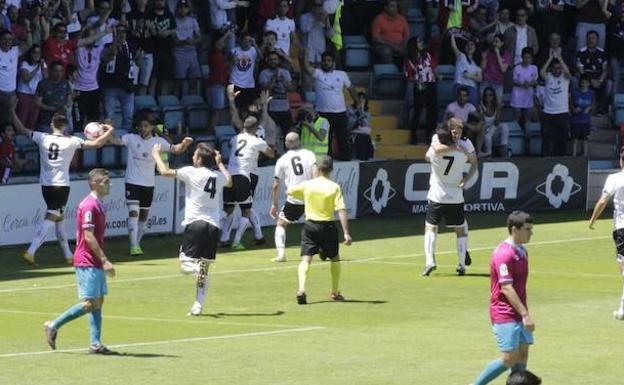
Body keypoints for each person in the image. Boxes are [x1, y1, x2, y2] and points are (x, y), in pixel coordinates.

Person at [17, 114, 113, 266]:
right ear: (66, 126)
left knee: (59, 218)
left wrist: (11, 112)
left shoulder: (42, 137)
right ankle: (31, 251)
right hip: (61, 185)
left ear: (51, 124)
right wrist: (110, 131)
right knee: (52, 216)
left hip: (46, 185)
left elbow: (22, 129)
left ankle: (69, 255)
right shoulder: (71, 141)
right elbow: (96, 144)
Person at [152, 142, 233, 316]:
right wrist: (219, 163)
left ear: (198, 159)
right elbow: (230, 181)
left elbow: (165, 171)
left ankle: (197, 273)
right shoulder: (217, 176)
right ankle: (198, 304)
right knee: (204, 268)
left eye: (194, 155)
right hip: (213, 226)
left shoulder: (191, 172)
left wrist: (156, 155)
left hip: (196, 224)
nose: (192, 157)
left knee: (184, 266)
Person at [43, 168, 118, 355]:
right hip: (87, 260)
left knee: (98, 301)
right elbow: (88, 235)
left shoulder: (99, 204)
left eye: (109, 181)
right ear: (94, 184)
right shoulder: (89, 206)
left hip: (94, 261)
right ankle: (54, 325)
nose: (109, 184)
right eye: (105, 181)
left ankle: (95, 343)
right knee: (89, 303)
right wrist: (104, 259)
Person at [108, 113, 193, 256]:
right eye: (141, 126)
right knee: (133, 214)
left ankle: (136, 244)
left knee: (143, 218)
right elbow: (114, 141)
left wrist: (185, 143)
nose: (143, 128)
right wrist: (107, 130)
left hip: (148, 184)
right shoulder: (131, 138)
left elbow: (176, 149)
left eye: (146, 126)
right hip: (132, 182)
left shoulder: (158, 142)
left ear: (152, 127)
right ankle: (134, 246)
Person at [470, 210, 535, 385]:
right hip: (504, 313)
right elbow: (506, 288)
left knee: (522, 357)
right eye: (527, 229)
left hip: (519, 311)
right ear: (515, 229)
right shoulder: (503, 254)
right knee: (509, 359)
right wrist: (525, 314)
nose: (531, 233)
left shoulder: (522, 251)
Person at [288, 155, 352, 304]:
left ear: (317, 168)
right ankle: (335, 292)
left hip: (310, 226)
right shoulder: (334, 187)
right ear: (331, 170)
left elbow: (290, 191)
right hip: (328, 226)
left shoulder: (307, 185)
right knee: (335, 258)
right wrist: (346, 232)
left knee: (306, 259)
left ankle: (302, 289)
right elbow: (341, 209)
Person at [422, 119, 478, 277]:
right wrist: (456, 149)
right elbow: (474, 162)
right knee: (460, 229)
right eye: (455, 132)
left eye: (460, 132)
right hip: (454, 196)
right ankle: (460, 264)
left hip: (439, 194)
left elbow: (429, 155)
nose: (458, 135)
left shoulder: (438, 140)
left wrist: (465, 179)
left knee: (431, 227)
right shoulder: (464, 146)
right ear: (449, 130)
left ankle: (430, 261)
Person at [219, 116, 275, 249]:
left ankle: (220, 233)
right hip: (242, 176)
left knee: (228, 209)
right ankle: (236, 242)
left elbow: (229, 144)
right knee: (247, 210)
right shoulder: (257, 141)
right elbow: (271, 154)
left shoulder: (235, 138)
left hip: (228, 176)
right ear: (255, 129)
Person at [300, 50, 359, 161]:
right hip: (322, 113)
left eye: (329, 61)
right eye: (324, 61)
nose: (326, 63)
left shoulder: (341, 74)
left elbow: (351, 88)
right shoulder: (318, 73)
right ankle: (327, 159)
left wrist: (357, 103)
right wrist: (305, 55)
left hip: (340, 112)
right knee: (327, 137)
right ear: (321, 62)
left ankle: (345, 158)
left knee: (342, 136)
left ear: (333, 63)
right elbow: (307, 68)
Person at [270, 132, 317, 262]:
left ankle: (281, 254)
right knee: (317, 224)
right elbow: (315, 174)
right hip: (310, 196)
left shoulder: (282, 160)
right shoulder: (310, 154)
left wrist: (274, 204)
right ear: (299, 141)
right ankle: (325, 249)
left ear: (286, 143)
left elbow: (275, 184)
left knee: (281, 223)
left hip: (295, 199)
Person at [589, 147, 624, 320]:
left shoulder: (615, 178)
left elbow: (603, 200)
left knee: (623, 267)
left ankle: (623, 308)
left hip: (621, 227)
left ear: (621, 161)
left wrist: (593, 219)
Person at [540, 52, 571, 156]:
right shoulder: (548, 76)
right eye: (554, 68)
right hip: (548, 112)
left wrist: (560, 59)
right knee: (546, 138)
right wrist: (550, 59)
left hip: (562, 112)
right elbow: (541, 72)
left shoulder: (564, 78)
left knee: (562, 138)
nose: (557, 70)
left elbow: (568, 73)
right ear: (551, 69)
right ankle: (545, 159)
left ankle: (561, 157)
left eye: (559, 68)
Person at [370, 0, 409, 64]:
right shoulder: (379, 19)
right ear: (386, 7)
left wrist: (404, 45)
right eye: (392, 6)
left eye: (396, 7)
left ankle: (409, 71)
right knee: (386, 51)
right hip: (383, 45)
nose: (395, 9)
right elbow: (376, 37)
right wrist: (392, 46)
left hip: (400, 44)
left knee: (412, 49)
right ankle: (389, 72)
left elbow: (407, 35)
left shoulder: (402, 19)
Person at [450, 33, 482, 107]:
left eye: (472, 45)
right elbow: (453, 46)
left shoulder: (476, 64)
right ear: (465, 47)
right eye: (468, 45)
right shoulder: (461, 55)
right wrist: (452, 35)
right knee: (458, 109)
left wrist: (470, 76)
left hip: (472, 87)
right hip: (460, 85)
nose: (470, 47)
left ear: (475, 48)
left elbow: (480, 79)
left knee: (472, 109)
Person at [479, 87, 509, 157]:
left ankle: (503, 149)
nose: (488, 97)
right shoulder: (480, 106)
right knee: (487, 136)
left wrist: (499, 108)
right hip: (483, 130)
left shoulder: (496, 106)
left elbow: (497, 122)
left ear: (493, 96)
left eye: (490, 95)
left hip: (493, 128)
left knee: (504, 127)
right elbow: (482, 121)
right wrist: (484, 110)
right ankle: (489, 153)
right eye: (486, 95)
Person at [570, 74, 595, 157]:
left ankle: (585, 157)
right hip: (575, 120)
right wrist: (574, 109)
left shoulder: (591, 93)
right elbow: (571, 105)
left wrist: (589, 108)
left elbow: (593, 104)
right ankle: (573, 157)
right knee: (575, 140)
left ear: (589, 83)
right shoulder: (575, 93)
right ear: (580, 83)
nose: (584, 84)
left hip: (586, 121)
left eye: (586, 83)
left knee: (585, 140)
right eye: (583, 82)